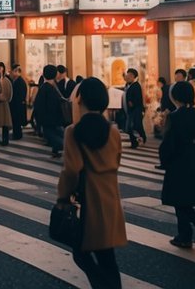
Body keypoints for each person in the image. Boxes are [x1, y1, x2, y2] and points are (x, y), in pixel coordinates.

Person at [57, 78, 126, 289]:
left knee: (81, 253)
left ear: (80, 99)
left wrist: (62, 197)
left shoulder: (73, 132)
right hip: (110, 197)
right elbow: (116, 161)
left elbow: (71, 170)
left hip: (89, 199)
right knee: (107, 255)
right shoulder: (113, 131)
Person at [159, 81, 195, 249]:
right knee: (184, 200)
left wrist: (165, 160)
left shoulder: (173, 117)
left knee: (179, 200)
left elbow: (168, 143)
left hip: (178, 163)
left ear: (175, 97)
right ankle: (187, 234)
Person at [33, 65, 68, 158]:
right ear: (55, 74)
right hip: (53, 119)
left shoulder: (44, 87)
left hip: (48, 119)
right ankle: (67, 148)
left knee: (55, 135)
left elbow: (37, 105)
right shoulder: (51, 88)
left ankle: (56, 151)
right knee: (57, 136)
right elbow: (53, 105)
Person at [122, 69, 145, 149]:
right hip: (130, 110)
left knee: (135, 126)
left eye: (130, 75)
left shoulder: (136, 85)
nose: (128, 76)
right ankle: (135, 142)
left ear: (134, 77)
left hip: (135, 110)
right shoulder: (128, 85)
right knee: (131, 127)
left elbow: (138, 98)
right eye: (128, 75)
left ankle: (140, 140)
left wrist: (132, 103)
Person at [10, 65, 29, 141]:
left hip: (18, 105)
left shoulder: (20, 82)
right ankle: (16, 134)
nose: (12, 73)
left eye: (14, 71)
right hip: (17, 105)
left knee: (17, 121)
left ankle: (17, 135)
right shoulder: (16, 80)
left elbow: (20, 95)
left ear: (18, 72)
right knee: (16, 121)